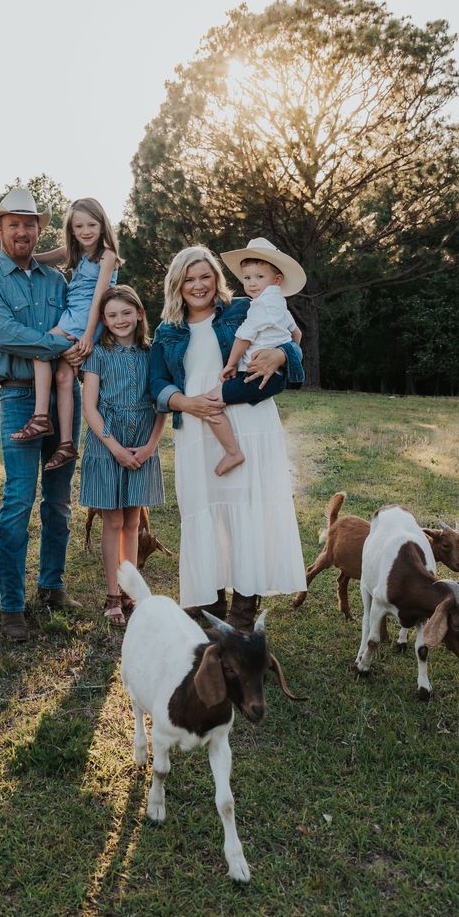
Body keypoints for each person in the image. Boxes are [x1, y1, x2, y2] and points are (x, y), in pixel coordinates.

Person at [149, 245, 306, 631]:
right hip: (196, 431)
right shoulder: (168, 330)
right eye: (189, 278)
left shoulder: (243, 309)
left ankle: (243, 610)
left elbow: (289, 355)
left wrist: (284, 355)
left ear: (216, 280)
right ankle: (210, 600)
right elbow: (155, 383)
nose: (198, 285)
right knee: (204, 511)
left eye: (205, 276)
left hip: (248, 425)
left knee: (244, 511)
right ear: (177, 284)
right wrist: (185, 402)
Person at [0, 186, 84, 642]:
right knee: (18, 500)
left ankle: (52, 586)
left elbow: (87, 310)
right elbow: (5, 334)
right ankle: (11, 606)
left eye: (30, 224)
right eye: (13, 223)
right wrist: (64, 346)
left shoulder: (57, 281)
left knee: (59, 500)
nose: (22, 231)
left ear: (39, 230)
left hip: (64, 396)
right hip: (18, 398)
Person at [11, 198, 121, 472]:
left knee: (40, 347)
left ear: (102, 225)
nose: (85, 231)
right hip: (75, 315)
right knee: (63, 375)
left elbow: (100, 297)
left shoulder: (107, 256)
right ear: (71, 230)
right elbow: (36, 258)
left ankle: (40, 417)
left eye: (92, 225)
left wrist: (87, 334)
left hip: (86, 316)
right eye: (78, 226)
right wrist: (4, 257)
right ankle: (67, 444)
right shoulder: (76, 252)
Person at [80, 286, 166, 627]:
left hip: (143, 442)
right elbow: (89, 407)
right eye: (112, 315)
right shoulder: (98, 354)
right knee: (112, 521)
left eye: (126, 313)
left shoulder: (152, 352)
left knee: (133, 522)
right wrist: (114, 446)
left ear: (140, 314)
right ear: (103, 319)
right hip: (107, 443)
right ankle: (113, 595)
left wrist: (149, 446)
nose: (120, 320)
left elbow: (162, 402)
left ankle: (132, 591)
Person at [202, 237, 305, 476]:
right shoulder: (280, 305)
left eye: (260, 277)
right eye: (247, 278)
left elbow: (243, 337)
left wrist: (230, 365)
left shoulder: (262, 306)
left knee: (208, 403)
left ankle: (232, 452)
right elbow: (297, 334)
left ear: (277, 280)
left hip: (256, 376)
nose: (252, 283)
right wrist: (285, 354)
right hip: (274, 376)